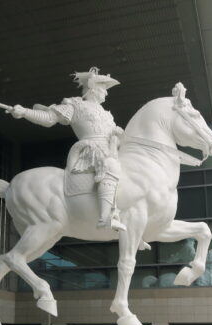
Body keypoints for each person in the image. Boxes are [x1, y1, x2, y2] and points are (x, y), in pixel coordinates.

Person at [9, 67, 126, 231]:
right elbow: (49, 118)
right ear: (92, 88)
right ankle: (105, 217)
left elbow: (114, 133)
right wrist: (24, 112)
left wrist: (119, 134)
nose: (106, 93)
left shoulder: (107, 114)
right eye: (103, 89)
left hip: (112, 149)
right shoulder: (75, 105)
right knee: (111, 166)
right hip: (92, 150)